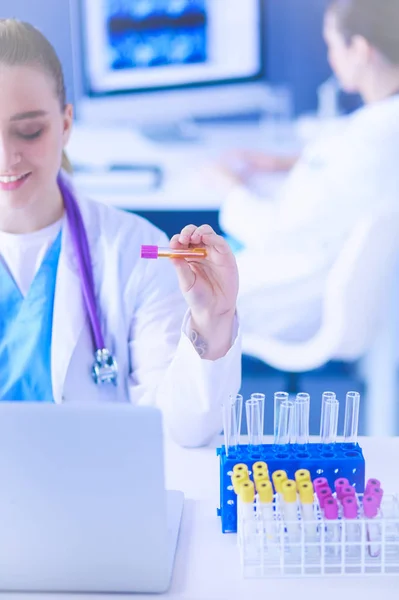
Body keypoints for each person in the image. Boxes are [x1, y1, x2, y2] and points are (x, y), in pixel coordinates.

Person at [0, 19, 241, 448]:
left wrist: (211, 322)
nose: (6, 156)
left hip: (94, 505)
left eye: (29, 130)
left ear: (66, 122)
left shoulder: (132, 253)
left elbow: (182, 433)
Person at [216, 0, 399, 342]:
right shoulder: (381, 127)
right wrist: (288, 163)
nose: (330, 59)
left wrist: (229, 186)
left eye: (332, 45)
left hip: (292, 294)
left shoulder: (367, 143)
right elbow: (347, 172)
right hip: (312, 267)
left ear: (359, 49)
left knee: (160, 286)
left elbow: (275, 231)